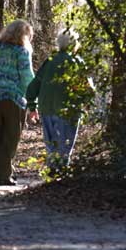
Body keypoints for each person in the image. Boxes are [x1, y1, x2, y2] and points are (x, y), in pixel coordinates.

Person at [26, 28, 94, 177]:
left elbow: (33, 86)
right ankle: (61, 175)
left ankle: (52, 174)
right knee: (65, 146)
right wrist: (87, 104)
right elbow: (88, 89)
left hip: (46, 108)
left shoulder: (50, 61)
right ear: (74, 44)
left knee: (51, 145)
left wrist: (32, 106)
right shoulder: (76, 62)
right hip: (67, 110)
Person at [0, 19, 34, 186]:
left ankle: (4, 172)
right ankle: (3, 176)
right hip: (13, 99)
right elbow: (27, 78)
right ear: (22, 35)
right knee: (11, 137)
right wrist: (33, 101)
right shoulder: (21, 51)